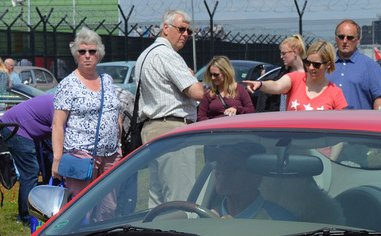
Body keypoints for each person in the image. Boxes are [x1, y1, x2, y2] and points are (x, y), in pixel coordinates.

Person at [134, 9, 204, 207]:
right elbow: (197, 92)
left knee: (157, 198)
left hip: (151, 129)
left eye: (189, 32)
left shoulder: (145, 55)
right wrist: (192, 77)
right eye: (181, 29)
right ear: (166, 28)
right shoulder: (168, 55)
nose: (185, 35)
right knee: (180, 198)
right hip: (173, 129)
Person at [52, 28, 123, 211]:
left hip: (111, 155)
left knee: (109, 208)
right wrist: (57, 159)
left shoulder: (107, 80)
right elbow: (58, 124)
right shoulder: (68, 84)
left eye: (92, 51)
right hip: (81, 157)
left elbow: (115, 112)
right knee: (82, 207)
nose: (87, 56)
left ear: (99, 54)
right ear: (76, 54)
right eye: (82, 51)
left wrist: (119, 142)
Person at [244, 40, 348, 112]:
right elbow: (276, 86)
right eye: (308, 62)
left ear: (328, 65)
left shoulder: (336, 93)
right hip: (292, 142)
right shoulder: (296, 79)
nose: (311, 67)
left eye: (316, 64)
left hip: (322, 144)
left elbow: (341, 128)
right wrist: (260, 84)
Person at [1, 91, 54, 228]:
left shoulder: (61, 102)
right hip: (15, 128)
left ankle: (23, 215)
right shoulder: (60, 107)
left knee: (28, 174)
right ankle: (26, 217)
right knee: (30, 173)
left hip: (16, 126)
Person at [207, 142, 294, 220]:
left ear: (256, 174)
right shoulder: (208, 217)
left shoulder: (280, 220)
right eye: (218, 163)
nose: (221, 170)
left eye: (231, 165)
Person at [329, 18, 381, 110]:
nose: (345, 41)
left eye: (350, 38)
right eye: (341, 37)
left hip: (358, 122)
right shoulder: (325, 64)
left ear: (358, 39)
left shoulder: (370, 66)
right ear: (336, 38)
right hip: (327, 122)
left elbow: (379, 99)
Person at [254, 34, 305, 113]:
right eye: (281, 53)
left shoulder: (310, 75)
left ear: (295, 52)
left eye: (284, 53)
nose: (281, 56)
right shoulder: (277, 77)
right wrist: (261, 84)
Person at [198, 55, 254, 120]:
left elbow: (251, 110)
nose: (212, 78)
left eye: (216, 75)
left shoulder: (240, 89)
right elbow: (201, 117)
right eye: (211, 74)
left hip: (236, 128)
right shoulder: (208, 93)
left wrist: (237, 109)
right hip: (216, 128)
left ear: (226, 73)